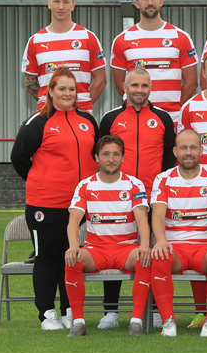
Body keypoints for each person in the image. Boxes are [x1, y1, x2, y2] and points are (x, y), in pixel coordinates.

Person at [12, 67, 98, 331]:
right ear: (49, 91)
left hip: (78, 207)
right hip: (45, 204)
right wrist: (42, 180)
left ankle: (69, 310)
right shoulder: (36, 122)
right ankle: (47, 313)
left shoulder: (88, 120)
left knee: (70, 257)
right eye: (62, 88)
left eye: (72, 89)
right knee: (47, 257)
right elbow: (18, 158)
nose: (68, 93)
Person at [97, 68, 175, 329]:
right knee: (113, 248)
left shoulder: (164, 118)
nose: (139, 90)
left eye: (144, 85)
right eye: (134, 85)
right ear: (124, 88)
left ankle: (151, 308)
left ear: (150, 88)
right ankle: (111, 311)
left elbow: (168, 159)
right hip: (117, 197)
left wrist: (158, 191)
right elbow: (100, 155)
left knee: (151, 252)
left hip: (154, 200)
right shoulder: (110, 118)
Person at [63, 135, 152, 337]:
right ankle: (78, 322)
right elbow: (74, 221)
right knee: (71, 260)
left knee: (145, 258)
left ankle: (136, 321)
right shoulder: (85, 185)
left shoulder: (134, 184)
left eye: (116, 154)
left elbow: (142, 220)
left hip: (126, 248)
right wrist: (73, 246)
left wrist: (145, 245)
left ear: (122, 158)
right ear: (96, 157)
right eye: (105, 154)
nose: (111, 159)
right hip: (96, 250)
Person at [148, 129, 207, 337]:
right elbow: (157, 215)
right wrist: (161, 241)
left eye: (193, 147)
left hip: (204, 248)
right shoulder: (163, 179)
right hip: (176, 248)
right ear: (175, 151)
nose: (188, 152)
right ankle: (168, 321)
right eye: (183, 148)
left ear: (201, 150)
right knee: (159, 256)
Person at [110, 0, 198, 125]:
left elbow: (192, 82)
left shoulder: (181, 37)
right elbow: (121, 85)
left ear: (161, 1)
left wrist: (174, 107)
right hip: (136, 118)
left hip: (172, 118)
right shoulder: (122, 40)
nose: (150, 2)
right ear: (136, 3)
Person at [21, 0, 106, 113]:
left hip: (80, 113)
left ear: (73, 5)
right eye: (56, 1)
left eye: (66, 2)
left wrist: (82, 105)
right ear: (49, 4)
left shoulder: (88, 37)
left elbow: (101, 80)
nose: (61, 7)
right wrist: (50, 103)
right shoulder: (35, 40)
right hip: (47, 113)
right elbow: (30, 82)